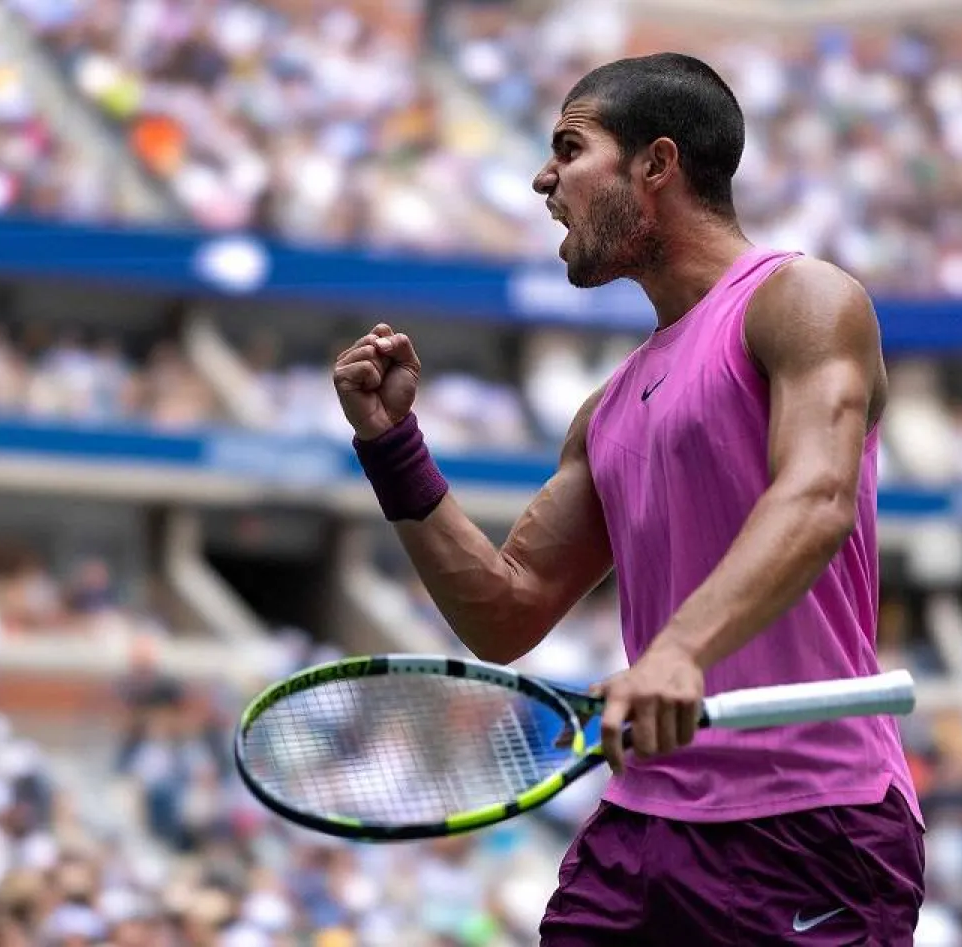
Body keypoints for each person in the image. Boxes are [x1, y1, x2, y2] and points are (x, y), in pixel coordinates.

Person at [333, 52, 925, 946]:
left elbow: (816, 497)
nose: (543, 179)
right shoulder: (608, 410)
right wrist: (391, 447)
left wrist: (677, 652)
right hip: (645, 826)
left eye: (569, 149)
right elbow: (506, 609)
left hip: (815, 821)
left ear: (656, 165)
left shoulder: (801, 299)